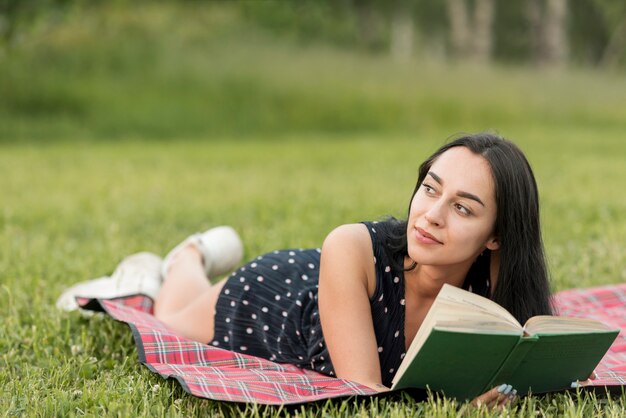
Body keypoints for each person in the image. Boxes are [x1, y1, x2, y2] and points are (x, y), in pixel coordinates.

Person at [57, 133, 553, 408]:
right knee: (170, 319)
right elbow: (363, 394)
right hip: (276, 299)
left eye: (463, 208)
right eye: (430, 188)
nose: (431, 215)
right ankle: (185, 256)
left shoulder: (493, 293)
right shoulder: (351, 245)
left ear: (497, 236)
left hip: (323, 291)